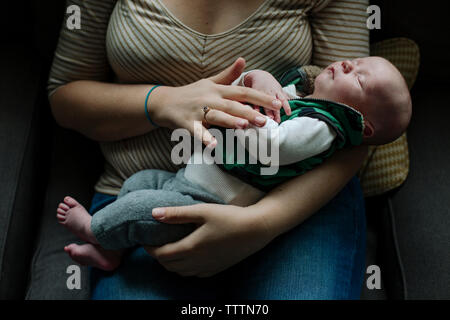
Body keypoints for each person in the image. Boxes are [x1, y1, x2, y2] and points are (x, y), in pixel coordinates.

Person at [49, 0, 373, 299]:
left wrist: (261, 223)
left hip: (296, 207)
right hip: (142, 190)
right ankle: (108, 237)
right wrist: (160, 103)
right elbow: (64, 98)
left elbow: (356, 129)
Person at [56, 56, 411, 272]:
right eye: (357, 61)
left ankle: (95, 229)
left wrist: (240, 115)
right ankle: (110, 252)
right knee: (137, 182)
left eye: (360, 78)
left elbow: (272, 144)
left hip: (206, 202)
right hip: (183, 177)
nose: (349, 64)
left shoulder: (324, 128)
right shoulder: (302, 99)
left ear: (362, 126)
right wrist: (258, 78)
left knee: (137, 209)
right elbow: (251, 93)